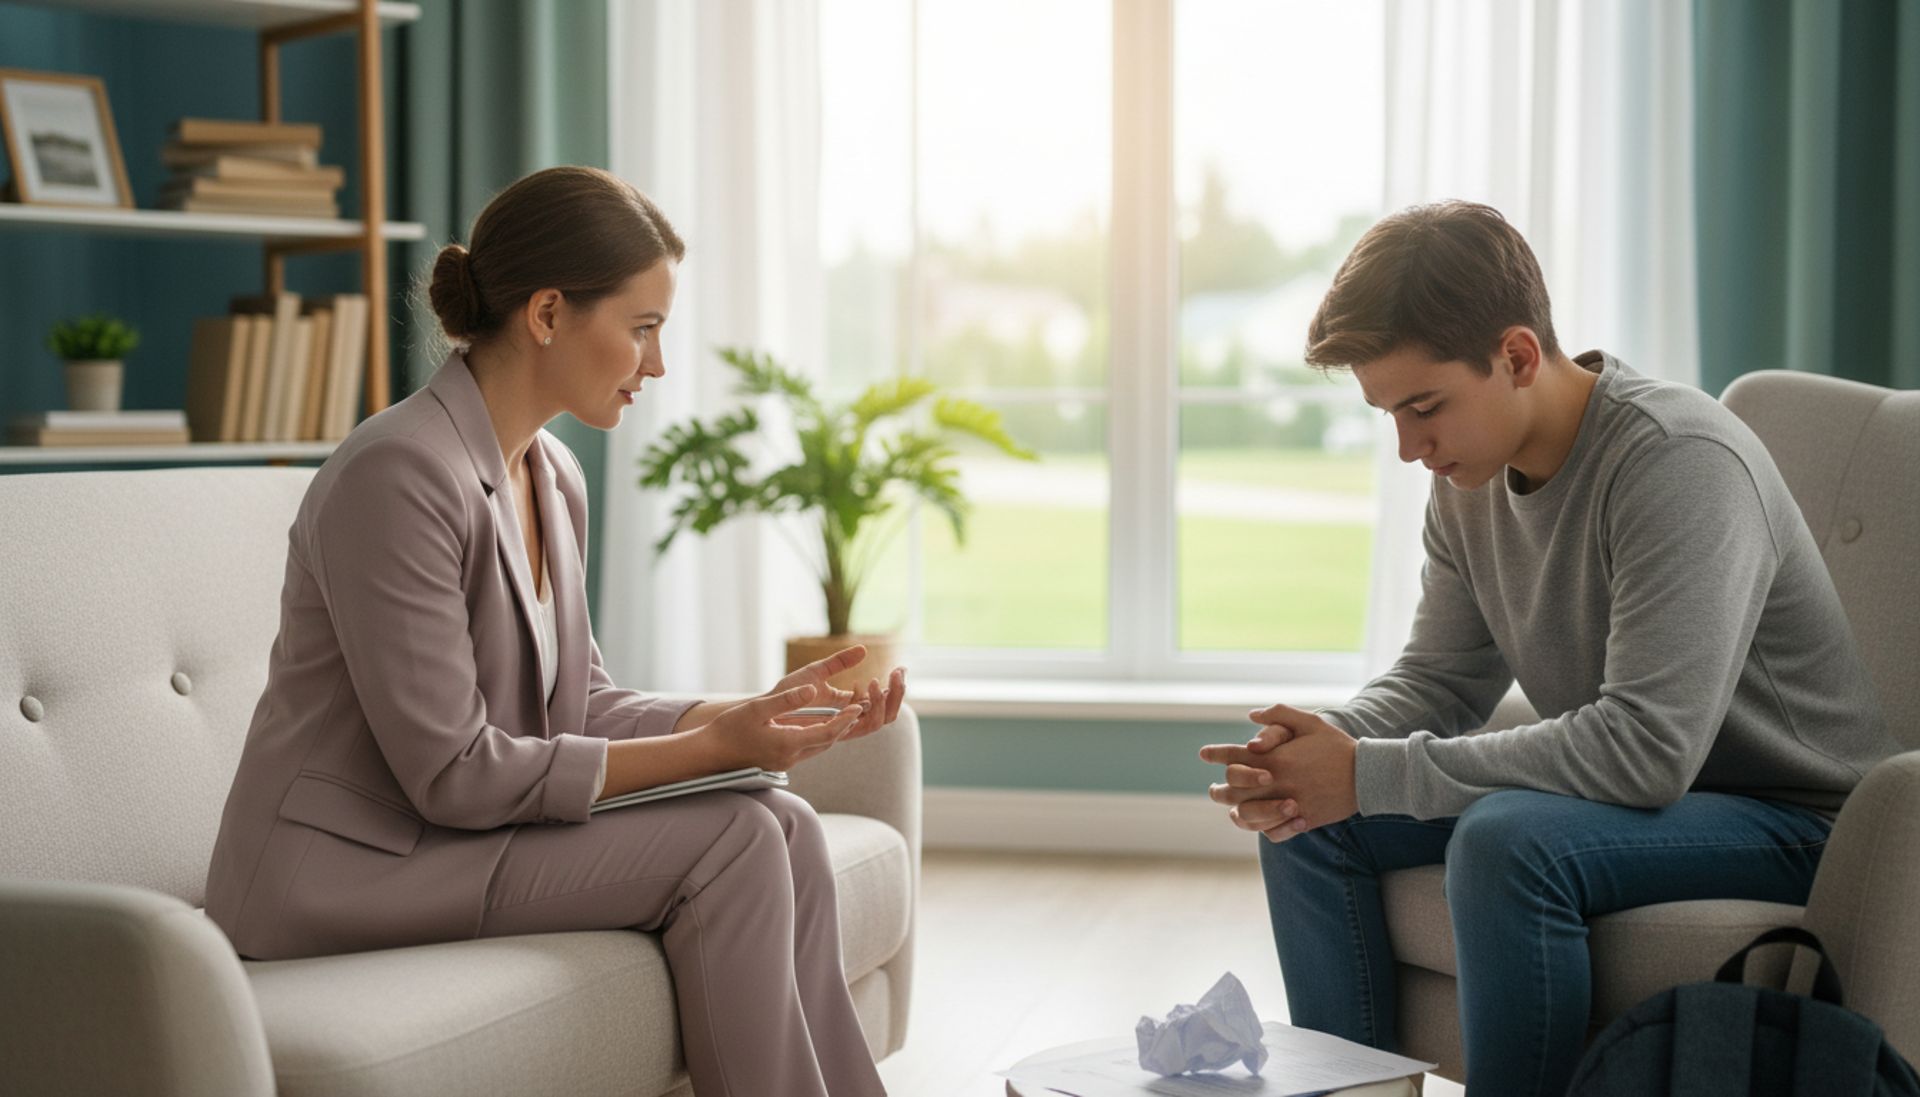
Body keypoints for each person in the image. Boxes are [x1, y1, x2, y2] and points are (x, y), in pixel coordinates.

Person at [204, 166, 900, 1097]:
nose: (656, 364)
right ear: (545, 314)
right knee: (732, 836)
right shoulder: (399, 474)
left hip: (445, 840)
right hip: (343, 869)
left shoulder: (552, 473)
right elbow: (452, 771)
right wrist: (709, 748)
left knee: (786, 823)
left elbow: (583, 703)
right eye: (643, 328)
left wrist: (758, 713)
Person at [1199, 200, 1898, 1097]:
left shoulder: (1677, 461)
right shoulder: (1468, 479)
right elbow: (1441, 678)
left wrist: (1371, 773)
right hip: (1639, 801)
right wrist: (1322, 749)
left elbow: (1647, 749)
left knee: (1507, 840)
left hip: (1794, 817)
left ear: (1518, 356)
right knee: (1309, 823)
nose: (1410, 447)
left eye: (1424, 407)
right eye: (1390, 416)